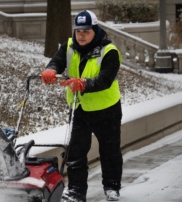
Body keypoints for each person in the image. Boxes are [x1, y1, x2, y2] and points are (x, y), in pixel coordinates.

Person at [41, 10, 123, 202]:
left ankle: (112, 187)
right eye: (78, 31)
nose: (81, 35)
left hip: (107, 110)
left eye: (86, 31)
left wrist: (84, 84)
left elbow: (105, 80)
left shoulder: (109, 51)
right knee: (76, 153)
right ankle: (76, 192)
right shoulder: (69, 45)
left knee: (109, 152)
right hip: (80, 110)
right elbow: (58, 60)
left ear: (95, 30)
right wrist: (51, 69)